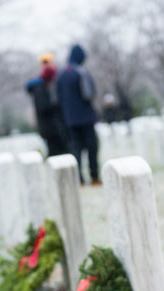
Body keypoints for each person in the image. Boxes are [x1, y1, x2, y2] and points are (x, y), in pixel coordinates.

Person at [56, 44, 100, 185]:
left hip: (70, 120)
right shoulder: (81, 72)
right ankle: (94, 177)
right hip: (86, 118)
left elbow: (57, 99)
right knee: (92, 147)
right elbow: (89, 94)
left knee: (76, 149)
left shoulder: (61, 75)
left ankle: (78, 179)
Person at [26, 53, 68, 156]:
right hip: (51, 128)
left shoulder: (51, 83)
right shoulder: (39, 86)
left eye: (48, 62)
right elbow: (43, 107)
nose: (47, 65)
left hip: (54, 127)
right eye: (44, 63)